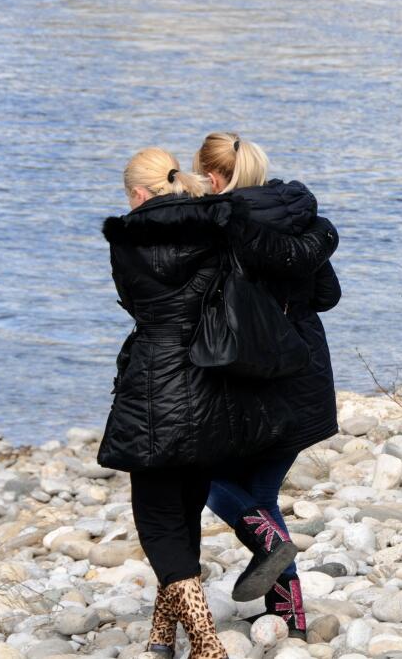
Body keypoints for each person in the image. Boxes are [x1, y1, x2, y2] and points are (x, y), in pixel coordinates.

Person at [100, 148, 337, 657]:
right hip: (271, 372)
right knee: (241, 495)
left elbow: (140, 304)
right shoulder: (231, 227)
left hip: (226, 379)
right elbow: (324, 291)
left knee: (187, 502)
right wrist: (324, 235)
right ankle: (275, 615)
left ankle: (213, 635)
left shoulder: (146, 237)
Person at [195, 132, 341, 639]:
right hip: (305, 375)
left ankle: (266, 542)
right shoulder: (303, 217)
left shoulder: (219, 225)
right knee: (261, 491)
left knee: (205, 475)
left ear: (213, 177)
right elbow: (328, 295)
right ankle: (290, 613)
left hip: (253, 380)